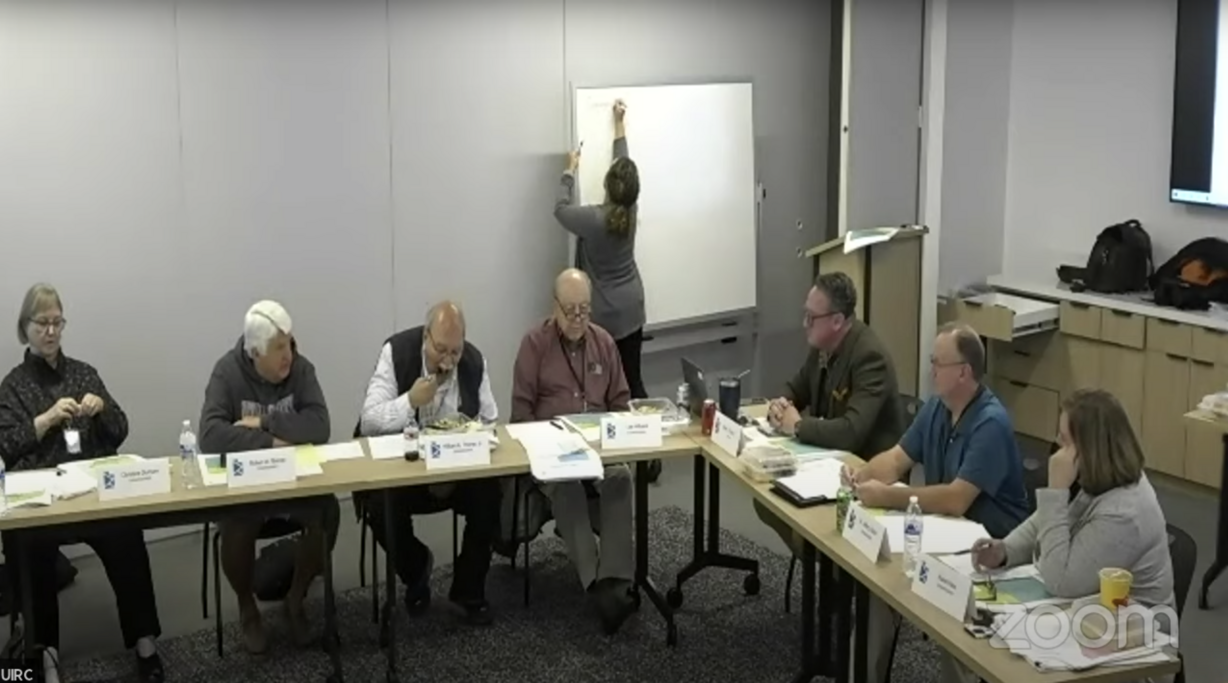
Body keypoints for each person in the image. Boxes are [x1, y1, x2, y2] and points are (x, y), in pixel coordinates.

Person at [839, 322, 1029, 683]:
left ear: (963, 372)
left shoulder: (991, 423)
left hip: (990, 552)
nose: (931, 371)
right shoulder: (936, 409)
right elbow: (896, 459)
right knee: (880, 585)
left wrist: (889, 495)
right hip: (947, 538)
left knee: (951, 613)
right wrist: (862, 474)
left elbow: (957, 498)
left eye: (938, 363)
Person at [0, 284, 164, 683]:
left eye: (57, 322)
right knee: (31, 546)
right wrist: (45, 420)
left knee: (126, 533)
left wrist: (101, 409)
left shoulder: (83, 373)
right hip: (43, 498)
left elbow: (120, 429)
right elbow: (5, 446)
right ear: (26, 328)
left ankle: (145, 644)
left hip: (91, 491)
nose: (52, 331)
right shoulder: (13, 385)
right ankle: (46, 655)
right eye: (43, 323)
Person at [967, 389, 1176, 683]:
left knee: (1008, 657)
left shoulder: (1125, 511)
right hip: (1088, 620)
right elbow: (1045, 522)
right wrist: (1005, 549)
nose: (1056, 446)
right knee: (978, 638)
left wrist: (1055, 491)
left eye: (1064, 441)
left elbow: (1061, 581)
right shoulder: (1097, 477)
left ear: (1091, 448)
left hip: (1133, 656)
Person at [199, 300, 340, 654]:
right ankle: (248, 608)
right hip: (248, 489)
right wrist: (275, 442)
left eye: (289, 343)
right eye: (278, 348)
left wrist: (264, 422)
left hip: (295, 484)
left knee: (327, 511)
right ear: (255, 352)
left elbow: (320, 426)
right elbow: (212, 437)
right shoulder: (227, 373)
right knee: (235, 523)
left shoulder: (301, 370)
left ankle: (296, 599)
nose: (288, 355)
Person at [356, 301, 500, 625]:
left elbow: (490, 420)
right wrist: (410, 401)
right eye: (440, 351)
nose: (448, 361)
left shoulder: (474, 361)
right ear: (425, 337)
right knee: (378, 505)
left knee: (490, 494)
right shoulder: (396, 353)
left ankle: (468, 589)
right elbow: (368, 422)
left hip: (454, 470)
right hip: (404, 471)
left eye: (455, 352)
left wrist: (463, 447)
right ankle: (416, 568)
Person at [511, 268, 636, 635]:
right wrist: (547, 444)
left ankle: (615, 580)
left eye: (585, 310)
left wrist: (616, 429)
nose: (579, 319)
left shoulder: (605, 343)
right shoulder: (534, 345)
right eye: (571, 311)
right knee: (566, 489)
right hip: (551, 452)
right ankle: (595, 586)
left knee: (621, 477)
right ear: (555, 308)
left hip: (598, 449)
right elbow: (520, 414)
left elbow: (620, 401)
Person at [755, 271, 908, 554]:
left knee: (792, 510)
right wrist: (781, 404)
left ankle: (831, 580)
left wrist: (798, 427)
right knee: (767, 499)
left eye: (812, 318)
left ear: (838, 321)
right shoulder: (823, 345)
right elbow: (797, 387)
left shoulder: (868, 357)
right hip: (829, 463)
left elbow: (852, 432)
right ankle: (823, 575)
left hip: (865, 474)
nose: (805, 324)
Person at [554, 100, 660, 482]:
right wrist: (620, 127)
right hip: (632, 308)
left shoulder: (592, 219)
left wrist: (569, 169)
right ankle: (650, 456)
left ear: (607, 186)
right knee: (633, 381)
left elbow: (559, 209)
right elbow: (625, 168)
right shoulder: (629, 210)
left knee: (598, 386)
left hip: (602, 316)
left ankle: (600, 453)